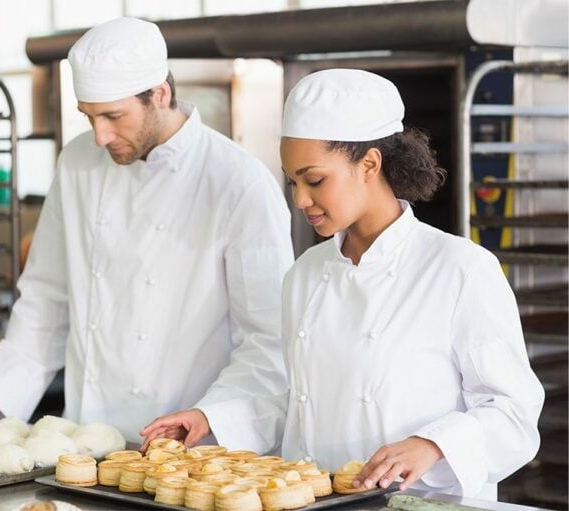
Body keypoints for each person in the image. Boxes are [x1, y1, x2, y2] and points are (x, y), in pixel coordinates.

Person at [141, 69, 544, 499]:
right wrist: (214, 419)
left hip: (421, 507)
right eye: (293, 181)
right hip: (320, 502)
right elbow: (301, 404)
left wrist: (433, 445)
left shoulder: (459, 269)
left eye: (315, 180)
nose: (299, 200)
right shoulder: (306, 274)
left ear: (369, 164)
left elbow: (513, 413)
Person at [0, 17, 293, 442]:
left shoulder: (238, 181)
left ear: (160, 94)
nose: (100, 136)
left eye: (113, 116)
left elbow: (269, 339)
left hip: (190, 450)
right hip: (82, 440)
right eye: (88, 117)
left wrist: (210, 416)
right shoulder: (77, 162)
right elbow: (47, 299)